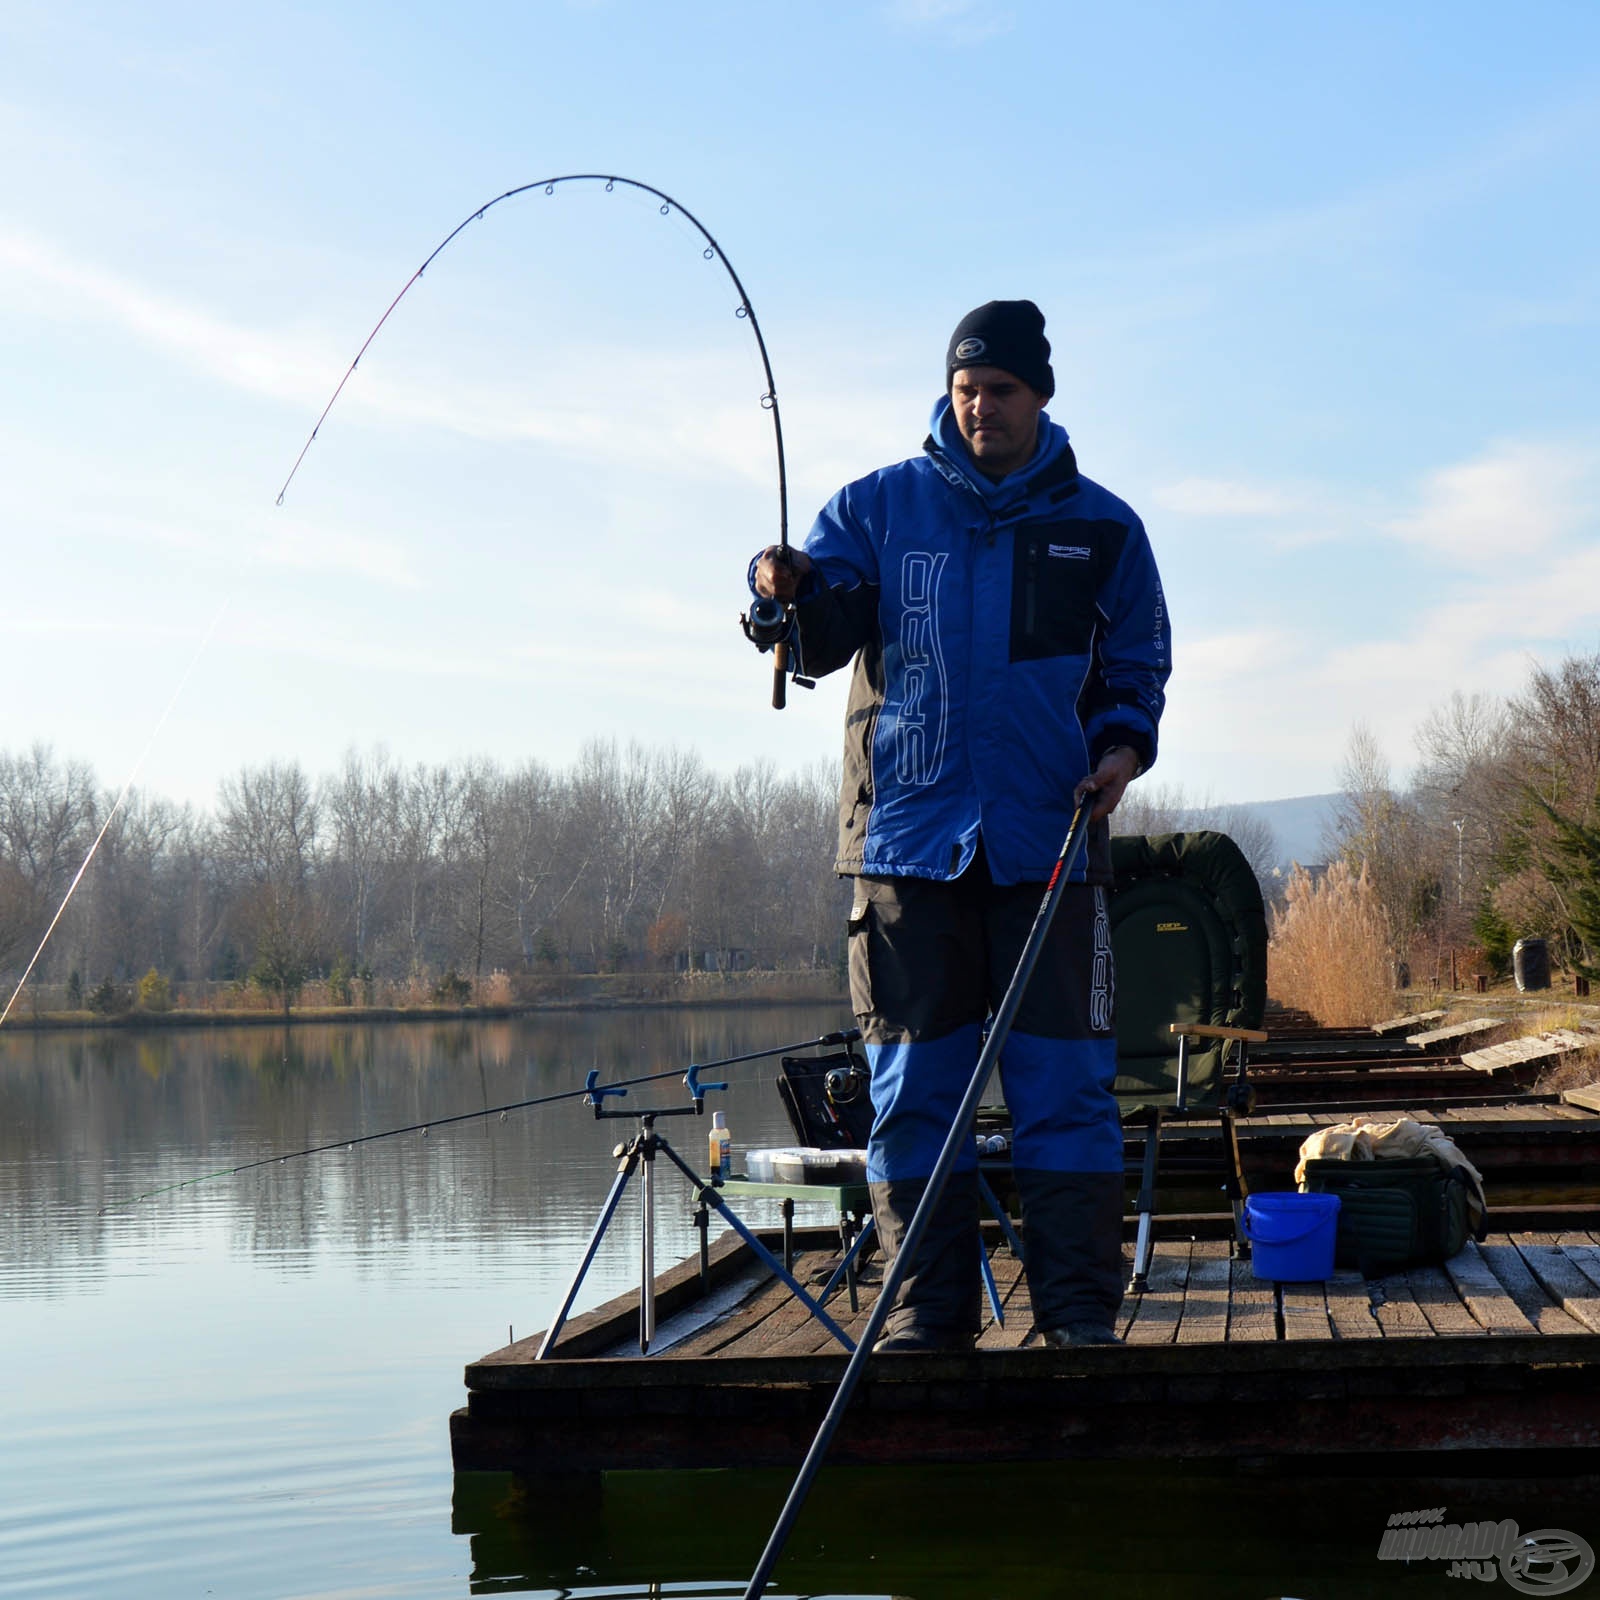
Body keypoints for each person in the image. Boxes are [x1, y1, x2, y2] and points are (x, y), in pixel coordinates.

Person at [750, 299, 1170, 1351]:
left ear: (1040, 397)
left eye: (1002, 389)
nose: (981, 405)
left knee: (1066, 1096)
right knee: (911, 1099)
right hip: (904, 854)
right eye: (966, 387)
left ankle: (1077, 1320)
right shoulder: (873, 509)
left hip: (1051, 853)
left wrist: (1122, 749)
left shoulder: (1104, 528)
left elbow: (1135, 672)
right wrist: (779, 593)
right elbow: (811, 634)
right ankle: (923, 1323)